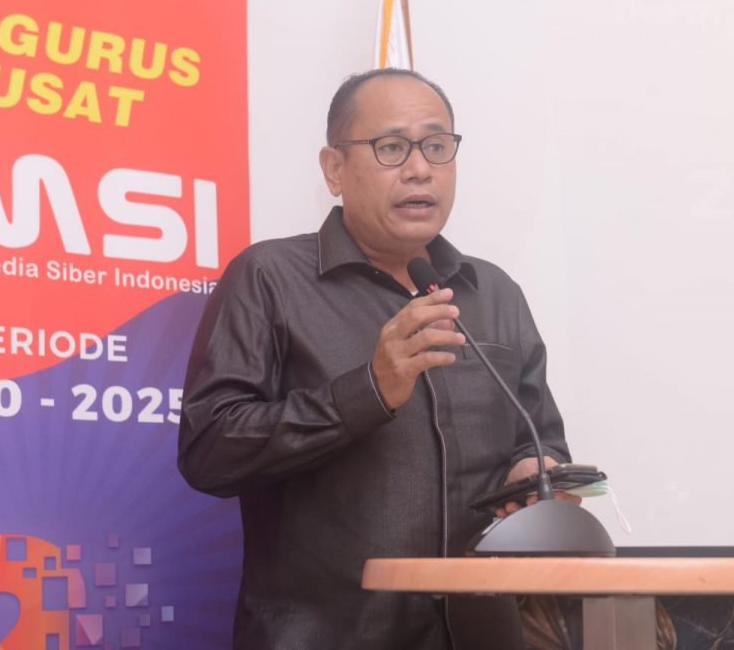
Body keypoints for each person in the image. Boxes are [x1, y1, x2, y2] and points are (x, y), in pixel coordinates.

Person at [178, 68, 572, 649]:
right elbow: (209, 452)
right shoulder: (269, 279)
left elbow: (539, 438)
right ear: (334, 169)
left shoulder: (494, 293)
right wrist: (369, 390)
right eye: (391, 147)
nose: (420, 169)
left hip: (483, 633)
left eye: (437, 146)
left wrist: (533, 472)